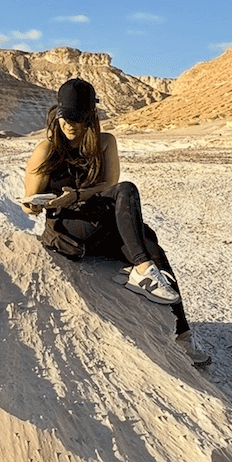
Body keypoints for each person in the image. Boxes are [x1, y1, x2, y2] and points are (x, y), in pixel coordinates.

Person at [24, 78, 210, 366]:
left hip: (97, 220)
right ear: (57, 114)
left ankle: (182, 336)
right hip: (69, 229)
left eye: (78, 118)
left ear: (90, 117)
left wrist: (78, 194)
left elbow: (108, 185)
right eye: (65, 118)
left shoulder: (105, 142)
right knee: (128, 193)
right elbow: (30, 204)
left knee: (150, 241)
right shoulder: (45, 150)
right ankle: (143, 269)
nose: (70, 125)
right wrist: (35, 204)